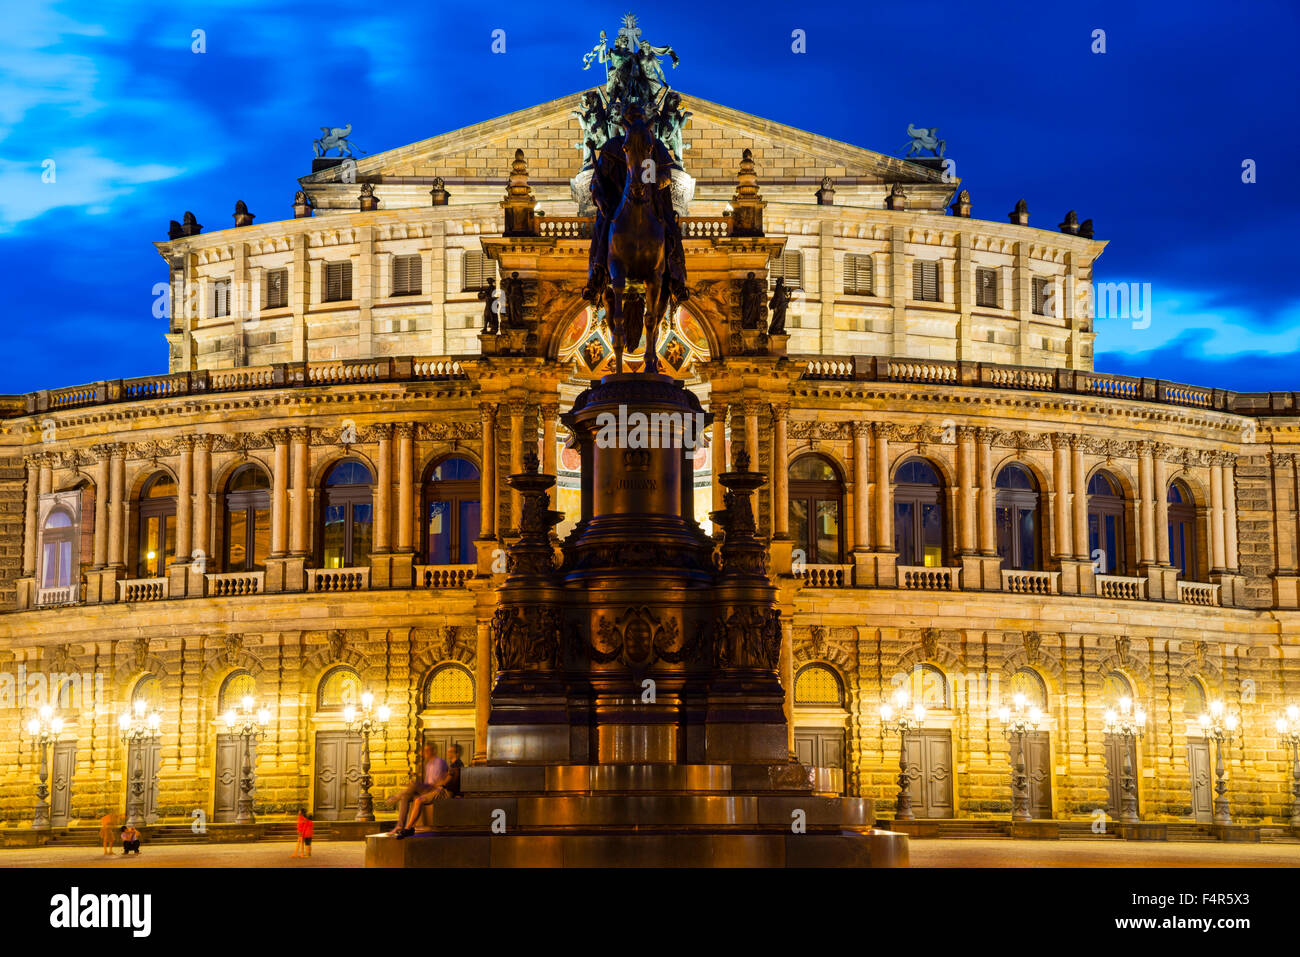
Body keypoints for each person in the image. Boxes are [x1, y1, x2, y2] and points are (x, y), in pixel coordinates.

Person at [395, 744, 449, 838]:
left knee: (414, 786)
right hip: (428, 788)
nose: (425, 753)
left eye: (428, 750)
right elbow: (427, 781)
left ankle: (396, 798)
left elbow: (438, 782)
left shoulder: (439, 762)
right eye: (425, 750)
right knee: (406, 796)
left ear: (433, 751)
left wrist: (421, 786)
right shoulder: (428, 764)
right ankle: (400, 826)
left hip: (435, 788)